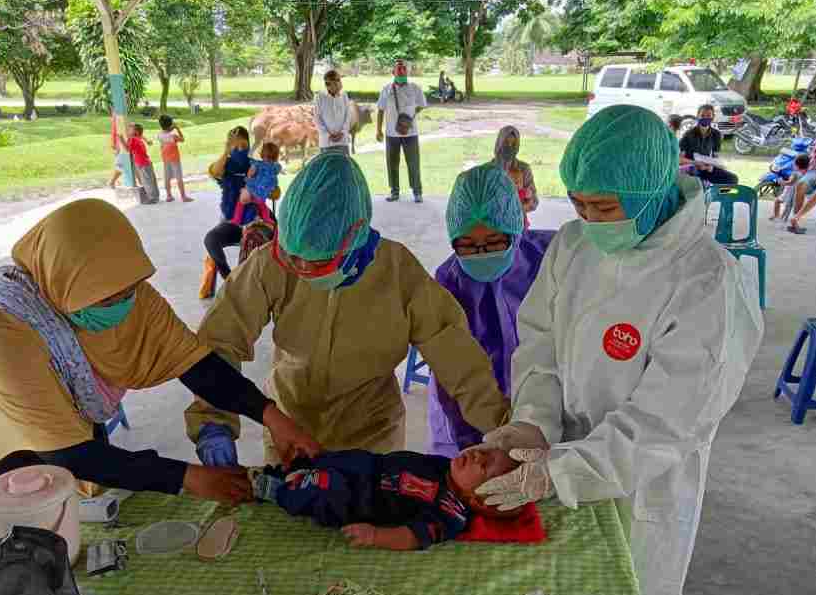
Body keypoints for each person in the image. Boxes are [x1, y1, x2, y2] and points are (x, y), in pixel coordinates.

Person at [474, 105, 764, 595]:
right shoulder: (573, 245)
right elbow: (540, 346)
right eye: (579, 204)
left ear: (652, 192)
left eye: (603, 207)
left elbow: (666, 424)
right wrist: (534, 425)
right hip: (555, 463)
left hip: (641, 485)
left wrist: (563, 470)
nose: (588, 219)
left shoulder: (707, 282)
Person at [0, 199, 320, 547]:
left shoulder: (128, 293)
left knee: (82, 553)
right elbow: (71, 457)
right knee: (13, 578)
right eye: (107, 300)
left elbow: (198, 365)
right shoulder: (0, 337)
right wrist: (186, 477)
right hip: (7, 474)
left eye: (128, 291)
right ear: (61, 281)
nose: (123, 306)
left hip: (78, 444)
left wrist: (272, 416)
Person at [187, 152, 510, 466]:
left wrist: (503, 429)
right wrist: (213, 417)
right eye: (294, 258)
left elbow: (457, 359)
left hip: (371, 436)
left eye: (316, 262)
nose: (301, 268)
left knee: (365, 514)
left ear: (356, 236)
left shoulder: (398, 271)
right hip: (289, 426)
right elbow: (221, 337)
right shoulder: (271, 262)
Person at [428, 163, 551, 457]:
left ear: (516, 226)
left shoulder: (551, 259)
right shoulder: (448, 281)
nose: (483, 253)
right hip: (477, 416)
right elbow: (453, 375)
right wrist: (473, 445)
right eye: (467, 245)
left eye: (495, 242)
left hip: (549, 411)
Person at [247, 446, 521, 551]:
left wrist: (376, 536)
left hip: (357, 500)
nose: (476, 455)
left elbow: (415, 536)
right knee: (325, 459)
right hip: (368, 466)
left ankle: (275, 491)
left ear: (478, 500)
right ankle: (295, 469)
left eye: (483, 466)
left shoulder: (451, 513)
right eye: (485, 451)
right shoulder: (447, 466)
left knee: (323, 486)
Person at [199, 126, 256, 298]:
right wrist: (226, 151)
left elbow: (274, 191)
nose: (239, 150)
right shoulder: (225, 167)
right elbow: (214, 171)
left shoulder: (255, 165)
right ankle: (230, 279)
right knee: (210, 241)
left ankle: (252, 286)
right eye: (235, 147)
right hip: (231, 221)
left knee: (259, 246)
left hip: (254, 221)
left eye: (243, 146)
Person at [376, 59, 427, 203]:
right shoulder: (386, 89)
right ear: (393, 72)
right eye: (398, 68)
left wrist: (410, 117)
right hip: (392, 133)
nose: (401, 70)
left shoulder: (415, 88)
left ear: (407, 71)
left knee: (413, 162)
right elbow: (380, 110)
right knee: (392, 163)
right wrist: (378, 130)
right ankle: (394, 191)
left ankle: (417, 192)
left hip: (410, 133)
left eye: (403, 68)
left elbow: (422, 105)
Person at [678, 104, 738, 186]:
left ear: (713, 117)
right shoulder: (688, 134)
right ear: (697, 116)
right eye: (702, 115)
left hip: (707, 168)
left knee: (733, 179)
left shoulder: (716, 134)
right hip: (691, 168)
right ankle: (705, 192)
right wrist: (695, 163)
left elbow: (715, 157)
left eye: (709, 115)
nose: (705, 118)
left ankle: (718, 196)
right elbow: (679, 159)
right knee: (699, 181)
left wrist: (711, 166)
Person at [493, 125, 539, 222]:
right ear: (499, 143)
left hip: (516, 221)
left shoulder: (524, 169)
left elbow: (534, 202)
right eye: (506, 143)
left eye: (513, 144)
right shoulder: (488, 170)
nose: (509, 147)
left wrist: (516, 210)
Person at [233, 142, 282, 225]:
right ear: (276, 156)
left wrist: (248, 177)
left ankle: (236, 220)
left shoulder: (257, 164)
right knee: (262, 206)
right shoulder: (276, 167)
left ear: (262, 154)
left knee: (240, 202)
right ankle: (267, 218)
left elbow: (250, 174)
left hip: (251, 190)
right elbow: (277, 171)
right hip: (262, 194)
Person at [119, 123, 159, 204]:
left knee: (146, 181)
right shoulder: (138, 138)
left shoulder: (133, 139)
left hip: (142, 163)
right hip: (147, 162)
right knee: (151, 180)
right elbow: (139, 134)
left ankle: (152, 198)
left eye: (130, 129)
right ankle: (156, 196)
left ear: (135, 132)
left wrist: (121, 139)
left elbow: (127, 149)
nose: (128, 130)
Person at [315, 69, 352, 155]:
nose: (340, 84)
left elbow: (348, 116)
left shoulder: (344, 95)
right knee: (328, 166)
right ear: (328, 84)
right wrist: (328, 135)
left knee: (344, 165)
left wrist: (342, 132)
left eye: (340, 80)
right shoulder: (320, 97)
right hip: (326, 142)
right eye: (337, 81)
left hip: (342, 141)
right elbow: (317, 118)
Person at [158, 115, 193, 203]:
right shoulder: (173, 135)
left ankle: (169, 196)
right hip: (174, 159)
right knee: (179, 177)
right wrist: (177, 128)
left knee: (167, 178)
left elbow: (165, 132)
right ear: (170, 125)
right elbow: (182, 139)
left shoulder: (159, 134)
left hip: (165, 159)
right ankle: (183, 196)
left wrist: (170, 128)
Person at [771, 153, 810, 220]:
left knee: (777, 201)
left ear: (796, 165)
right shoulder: (805, 174)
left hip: (789, 192)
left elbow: (790, 182)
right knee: (789, 206)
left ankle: (777, 216)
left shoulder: (795, 173)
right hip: (798, 193)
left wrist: (781, 182)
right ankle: (786, 217)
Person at [109, 112, 126, 189]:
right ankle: (112, 182)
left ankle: (115, 181)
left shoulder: (118, 115)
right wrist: (116, 145)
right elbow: (116, 132)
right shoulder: (117, 116)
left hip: (121, 143)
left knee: (121, 164)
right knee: (121, 165)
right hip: (120, 145)